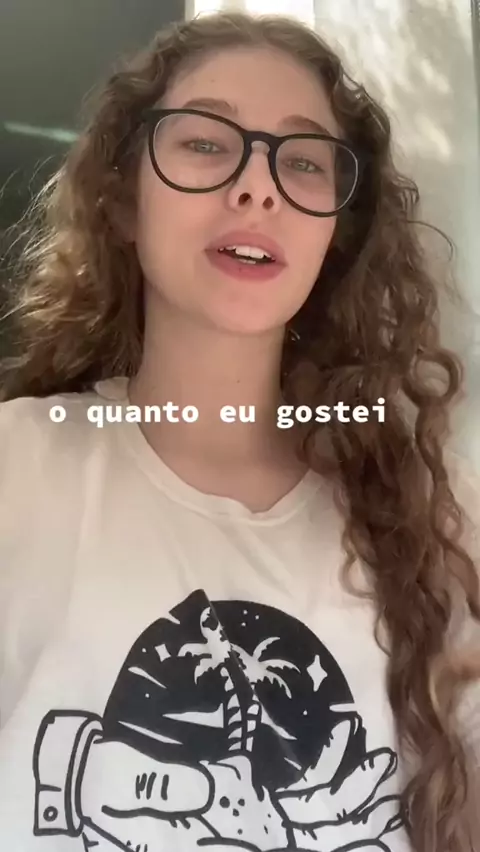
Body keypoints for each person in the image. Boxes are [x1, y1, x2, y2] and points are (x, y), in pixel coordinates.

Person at [0, 9, 479, 852]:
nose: (259, 187)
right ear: (123, 200)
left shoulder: (430, 514)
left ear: (336, 232)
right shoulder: (19, 471)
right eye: (206, 143)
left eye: (303, 161)